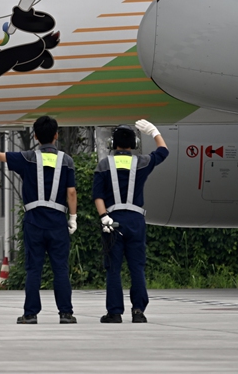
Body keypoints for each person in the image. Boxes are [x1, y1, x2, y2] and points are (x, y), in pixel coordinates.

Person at [0, 115, 77, 324]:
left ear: (35, 136)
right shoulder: (66, 160)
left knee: (33, 268)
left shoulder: (28, 157)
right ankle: (66, 313)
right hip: (58, 221)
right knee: (60, 268)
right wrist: (73, 218)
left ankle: (30, 314)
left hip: (34, 221)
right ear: (57, 135)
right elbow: (71, 193)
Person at [92, 119, 169, 324]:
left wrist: (104, 217)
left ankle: (115, 312)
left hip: (113, 220)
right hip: (136, 221)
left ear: (113, 144)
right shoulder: (142, 162)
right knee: (137, 267)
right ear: (133, 144)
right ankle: (138, 311)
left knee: (113, 268)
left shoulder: (104, 164)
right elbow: (163, 151)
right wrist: (154, 131)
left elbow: (98, 196)